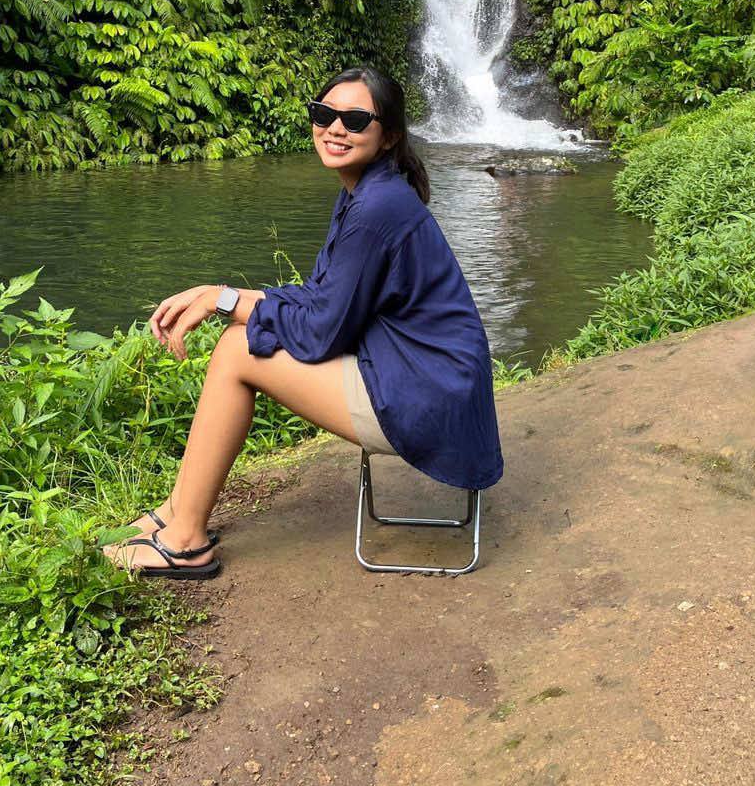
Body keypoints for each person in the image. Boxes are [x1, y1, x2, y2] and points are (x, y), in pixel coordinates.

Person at [105, 65, 503, 579]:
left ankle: (184, 542)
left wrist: (225, 301)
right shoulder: (366, 191)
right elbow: (322, 298)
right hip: (423, 376)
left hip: (427, 396)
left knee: (234, 351)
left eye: (355, 119)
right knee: (237, 337)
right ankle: (178, 512)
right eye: (324, 114)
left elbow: (319, 331)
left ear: (389, 136)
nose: (336, 128)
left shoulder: (377, 207)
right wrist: (216, 295)